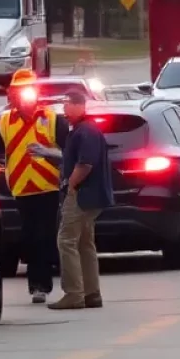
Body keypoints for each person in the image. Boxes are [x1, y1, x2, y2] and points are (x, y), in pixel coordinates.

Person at [0, 69, 68, 304]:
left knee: (44, 235)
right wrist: (2, 172)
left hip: (48, 187)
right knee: (29, 236)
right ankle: (35, 283)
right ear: (12, 95)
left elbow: (67, 152)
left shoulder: (52, 119)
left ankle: (43, 284)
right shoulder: (4, 121)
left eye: (28, 91)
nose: (24, 97)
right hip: (21, 189)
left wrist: (49, 155)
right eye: (19, 92)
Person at [47, 90, 114, 310]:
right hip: (92, 195)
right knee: (85, 242)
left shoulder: (85, 132)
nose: (64, 110)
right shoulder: (82, 131)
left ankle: (74, 294)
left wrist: (71, 185)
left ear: (79, 105)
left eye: (66, 104)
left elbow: (85, 165)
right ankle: (91, 293)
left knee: (65, 240)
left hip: (83, 194)